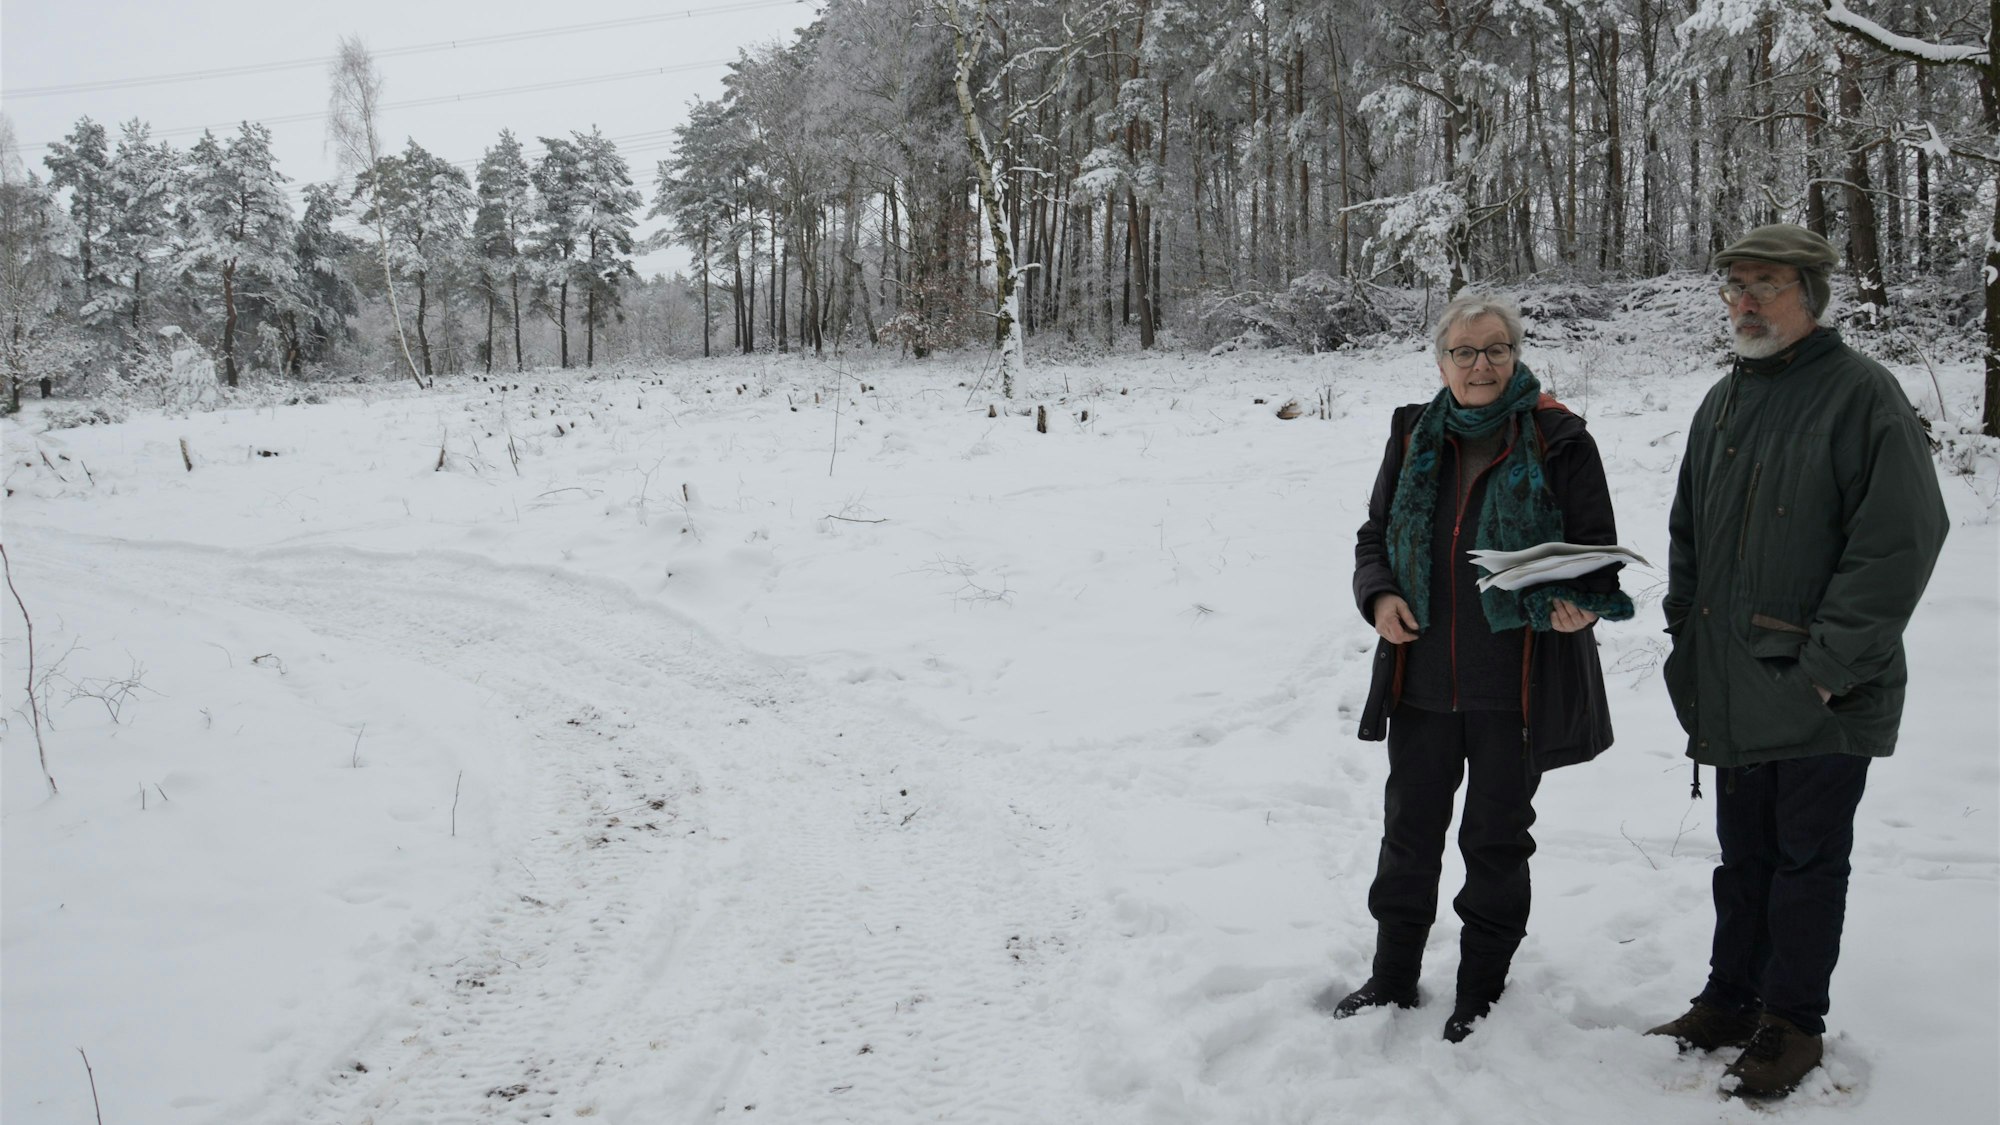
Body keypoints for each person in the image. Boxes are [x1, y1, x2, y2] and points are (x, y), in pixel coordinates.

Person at [1647, 224, 1949, 1099]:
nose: (1744, 302)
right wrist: (1686, 635)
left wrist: (1829, 665)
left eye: (1765, 285)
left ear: (1811, 296)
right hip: (1735, 682)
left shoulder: (1863, 397)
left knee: (1807, 862)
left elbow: (1900, 542)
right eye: (1734, 286)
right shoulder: (1725, 401)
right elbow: (1688, 536)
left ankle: (1791, 1022)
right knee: (1742, 858)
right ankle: (1731, 998)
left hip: (1821, 692)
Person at [1340, 293, 1633, 1042]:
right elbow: (1375, 536)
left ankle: (1481, 988)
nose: (1481, 365)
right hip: (1422, 684)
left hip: (1517, 688)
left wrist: (1581, 601)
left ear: (1517, 355)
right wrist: (1377, 598)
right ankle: (1393, 974)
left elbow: (1595, 554)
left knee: (1495, 841)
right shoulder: (1413, 435)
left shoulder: (1559, 437)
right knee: (1408, 834)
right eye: (1465, 352)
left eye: (1496, 349)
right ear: (1440, 361)